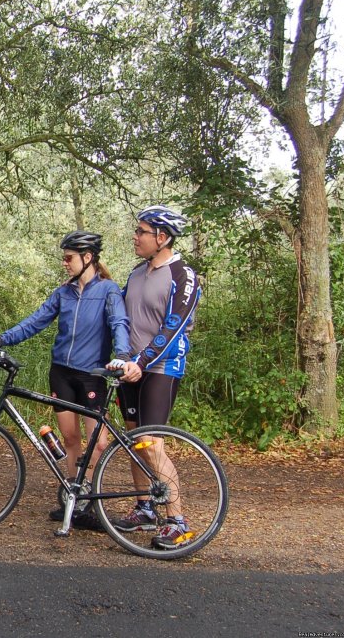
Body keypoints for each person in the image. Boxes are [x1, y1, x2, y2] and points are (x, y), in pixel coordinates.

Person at [0, 231, 131, 527]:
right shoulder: (63, 293)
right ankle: (72, 497)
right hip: (62, 373)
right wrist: (0, 340)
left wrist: (124, 355)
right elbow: (35, 321)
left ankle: (89, 493)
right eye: (63, 258)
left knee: (99, 442)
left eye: (69, 258)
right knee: (70, 437)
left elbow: (119, 322)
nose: (64, 263)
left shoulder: (108, 290)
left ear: (87, 257)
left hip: (92, 375)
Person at [110, 205, 201, 550]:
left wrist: (142, 362)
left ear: (162, 237)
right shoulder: (136, 273)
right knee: (134, 441)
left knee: (152, 444)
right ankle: (145, 507)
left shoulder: (183, 276)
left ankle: (178, 521)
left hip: (161, 368)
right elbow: (120, 316)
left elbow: (173, 327)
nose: (135, 237)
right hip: (130, 368)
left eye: (141, 232)